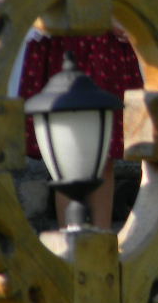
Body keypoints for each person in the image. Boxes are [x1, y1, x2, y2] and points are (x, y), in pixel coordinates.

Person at [18, 27, 143, 229]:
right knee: (64, 155)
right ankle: (70, 240)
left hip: (103, 48)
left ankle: (101, 240)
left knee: (104, 155)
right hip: (66, 44)